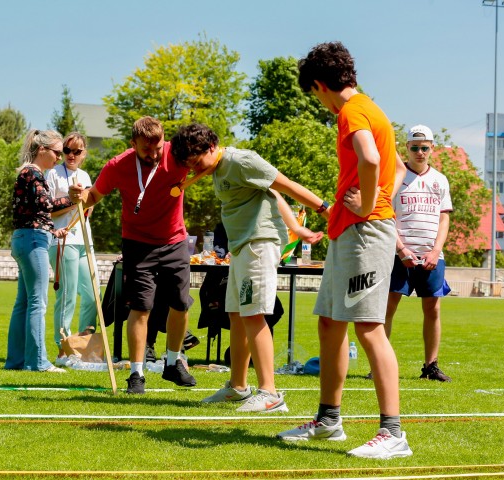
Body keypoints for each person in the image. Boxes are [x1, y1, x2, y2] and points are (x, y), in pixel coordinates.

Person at [276, 42, 413, 459]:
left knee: (368, 327)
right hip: (349, 232)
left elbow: (370, 160)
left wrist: (369, 204)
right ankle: (328, 421)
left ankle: (393, 433)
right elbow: (390, 166)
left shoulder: (353, 111)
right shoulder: (367, 108)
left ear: (319, 86)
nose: (319, 103)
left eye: (314, 94)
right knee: (331, 324)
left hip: (366, 231)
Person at [171, 122, 325, 413]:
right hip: (240, 247)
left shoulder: (242, 160)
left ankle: (270, 393)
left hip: (260, 242)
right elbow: (270, 194)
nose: (194, 170)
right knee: (236, 315)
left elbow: (284, 185)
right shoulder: (217, 169)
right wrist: (294, 226)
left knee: (254, 315)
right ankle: (238, 387)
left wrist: (325, 210)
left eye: (196, 162)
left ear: (211, 147)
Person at [72, 116, 196, 394]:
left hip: (175, 240)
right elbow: (94, 196)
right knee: (141, 308)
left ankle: (173, 363)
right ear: (133, 144)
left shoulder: (177, 156)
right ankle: (137, 373)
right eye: (145, 150)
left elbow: (208, 161)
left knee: (181, 304)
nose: (152, 155)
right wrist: (80, 197)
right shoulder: (118, 165)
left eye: (157, 148)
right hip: (138, 243)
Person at [384, 125, 452, 382]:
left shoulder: (440, 180)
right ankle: (379, 365)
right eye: (415, 147)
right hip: (398, 255)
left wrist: (436, 251)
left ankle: (431, 366)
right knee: (388, 308)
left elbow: (444, 219)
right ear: (407, 148)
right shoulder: (394, 176)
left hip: (432, 255)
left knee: (433, 309)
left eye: (425, 147)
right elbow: (386, 216)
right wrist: (401, 248)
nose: (420, 152)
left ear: (432, 148)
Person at [4, 129, 72, 374]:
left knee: (23, 303)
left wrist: (53, 232)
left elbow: (33, 213)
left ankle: (16, 361)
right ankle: (38, 362)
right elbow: (47, 205)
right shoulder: (33, 172)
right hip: (32, 242)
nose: (60, 157)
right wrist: (74, 198)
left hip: (26, 238)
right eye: (57, 152)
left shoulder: (28, 172)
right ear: (42, 149)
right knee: (37, 303)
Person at [46, 132, 99, 367]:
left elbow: (89, 207)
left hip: (84, 241)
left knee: (92, 295)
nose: (71, 155)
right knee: (66, 296)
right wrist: (71, 200)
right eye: (67, 150)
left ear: (83, 154)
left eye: (77, 151)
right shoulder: (53, 174)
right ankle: (63, 348)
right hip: (61, 240)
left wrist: (87, 202)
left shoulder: (85, 175)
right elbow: (47, 210)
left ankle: (84, 345)